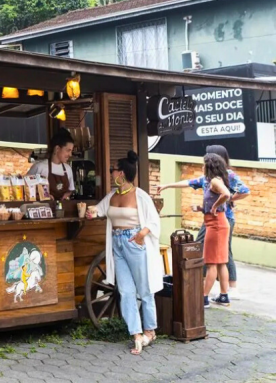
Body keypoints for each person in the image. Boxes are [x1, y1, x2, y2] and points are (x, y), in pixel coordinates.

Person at [91, 151, 163, 355]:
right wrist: (90, 211)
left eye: (113, 169)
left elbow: (154, 221)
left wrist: (141, 235)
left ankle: (150, 330)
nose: (111, 172)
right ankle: (136, 333)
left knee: (144, 287)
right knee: (125, 290)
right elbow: (98, 210)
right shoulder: (112, 196)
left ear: (121, 173)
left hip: (134, 242)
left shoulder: (140, 195)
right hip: (117, 243)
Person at [156, 145, 249, 296]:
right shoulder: (207, 179)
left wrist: (226, 200)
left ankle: (216, 288)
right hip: (213, 219)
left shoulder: (226, 175)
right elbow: (188, 182)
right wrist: (167, 186)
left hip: (222, 218)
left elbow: (244, 191)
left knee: (214, 253)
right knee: (217, 253)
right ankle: (221, 290)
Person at [197, 153, 232, 308]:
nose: (202, 167)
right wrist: (202, 208)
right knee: (221, 262)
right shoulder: (218, 180)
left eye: (204, 164)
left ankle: (204, 298)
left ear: (209, 166)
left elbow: (226, 195)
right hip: (220, 222)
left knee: (211, 262)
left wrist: (214, 206)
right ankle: (224, 296)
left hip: (215, 225)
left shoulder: (214, 181)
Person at [26, 128, 75, 201]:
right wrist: (42, 195)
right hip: (43, 209)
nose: (70, 154)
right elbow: (26, 188)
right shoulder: (40, 167)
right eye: (68, 150)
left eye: (71, 151)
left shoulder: (68, 169)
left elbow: (70, 190)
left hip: (62, 209)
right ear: (57, 148)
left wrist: (66, 195)